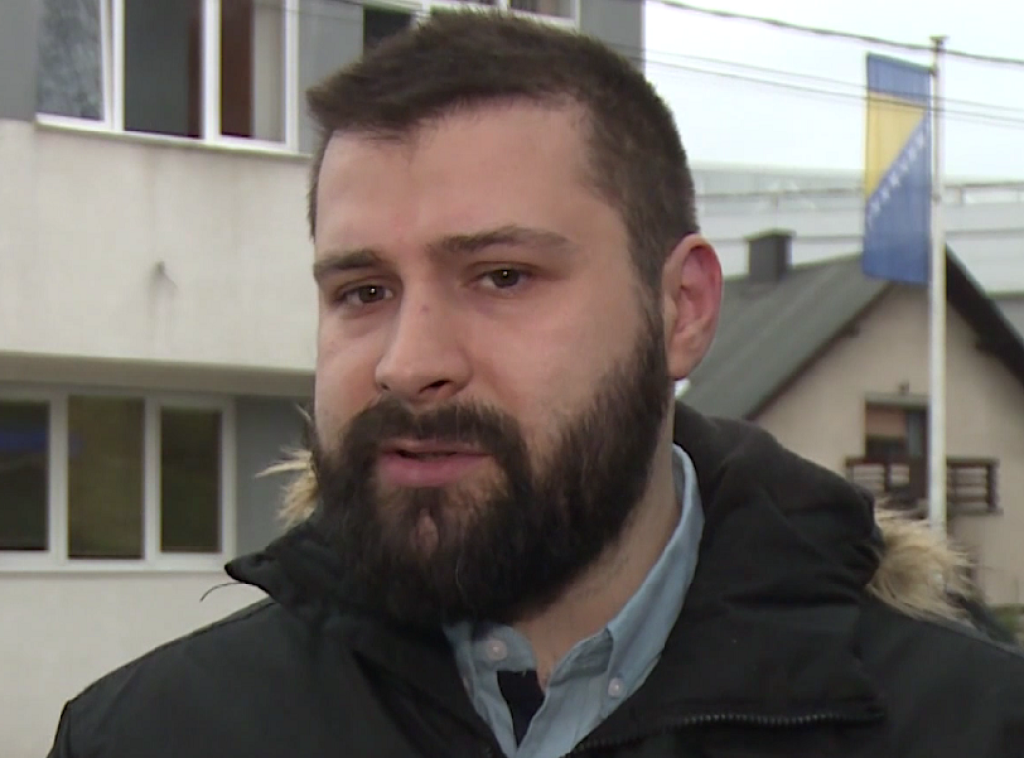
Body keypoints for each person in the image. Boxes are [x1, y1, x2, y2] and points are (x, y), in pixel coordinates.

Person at [48, 11, 1024, 758]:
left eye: (501, 276)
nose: (406, 361)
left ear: (681, 308)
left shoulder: (970, 726)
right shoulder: (147, 734)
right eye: (363, 290)